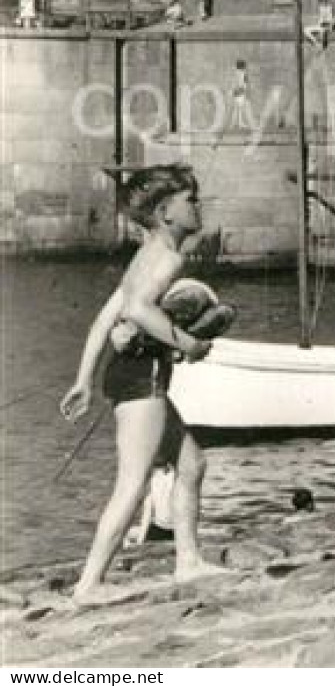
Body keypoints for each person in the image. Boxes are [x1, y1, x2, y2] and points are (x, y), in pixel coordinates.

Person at [58, 165, 223, 605]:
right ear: (167, 212)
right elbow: (136, 309)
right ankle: (89, 585)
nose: (197, 206)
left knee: (191, 465)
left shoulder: (147, 252)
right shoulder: (168, 258)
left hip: (128, 375)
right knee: (132, 485)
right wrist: (189, 342)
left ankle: (187, 562)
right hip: (140, 379)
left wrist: (84, 381)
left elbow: (104, 318)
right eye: (190, 200)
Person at [229, 60, 251, 131]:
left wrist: (233, 91)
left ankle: (238, 123)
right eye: (244, 66)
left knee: (237, 108)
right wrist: (243, 89)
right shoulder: (242, 73)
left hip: (236, 92)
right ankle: (236, 123)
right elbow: (243, 84)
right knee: (239, 108)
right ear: (243, 67)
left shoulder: (236, 73)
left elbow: (234, 84)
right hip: (240, 92)